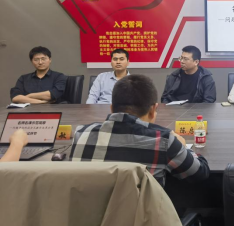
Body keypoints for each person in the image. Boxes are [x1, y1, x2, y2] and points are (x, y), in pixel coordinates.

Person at [71, 74, 210, 187]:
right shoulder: (163, 140)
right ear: (153, 110)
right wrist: (184, 146)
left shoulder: (81, 134)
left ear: (112, 108)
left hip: (89, 213)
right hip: (142, 214)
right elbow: (199, 173)